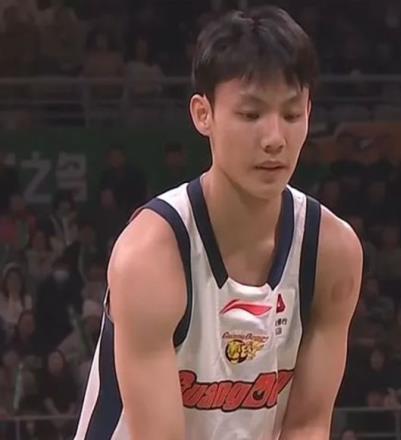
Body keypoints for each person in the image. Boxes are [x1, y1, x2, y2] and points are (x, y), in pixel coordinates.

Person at [75, 6, 363, 440]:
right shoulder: (149, 256)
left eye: (291, 114)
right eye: (250, 115)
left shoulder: (332, 252)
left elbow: (307, 424)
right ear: (202, 114)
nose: (274, 139)